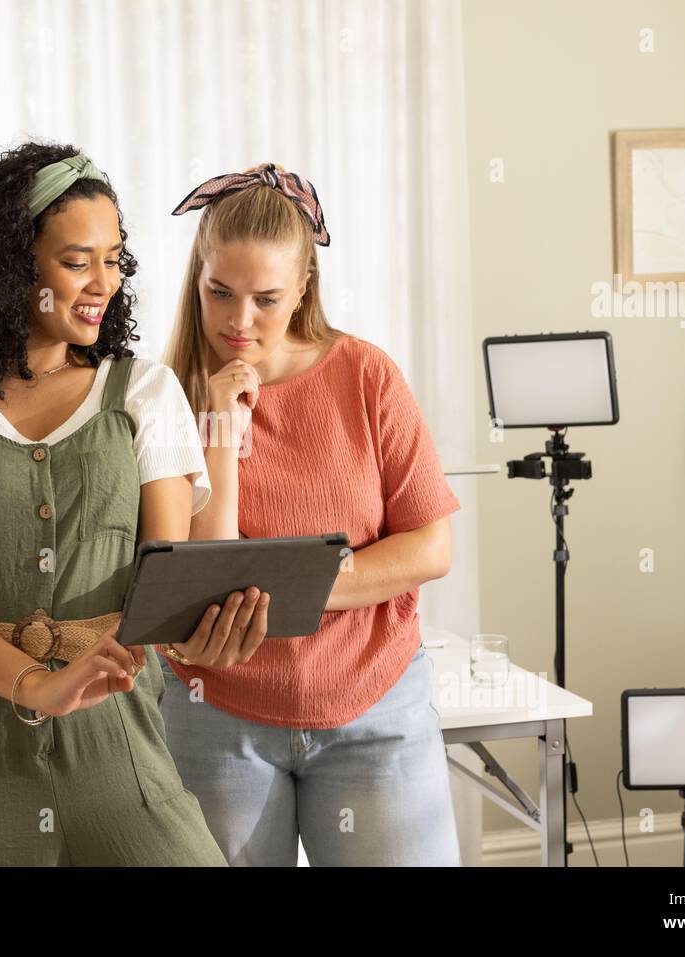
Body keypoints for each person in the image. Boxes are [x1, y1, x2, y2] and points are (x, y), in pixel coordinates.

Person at [0, 142, 237, 865]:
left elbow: (166, 571)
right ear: (11, 266)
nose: (103, 282)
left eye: (114, 258)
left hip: (111, 738)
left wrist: (197, 631)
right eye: (76, 260)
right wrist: (35, 683)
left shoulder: (145, 394)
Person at [158, 162, 463, 866]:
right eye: (219, 293)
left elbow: (429, 546)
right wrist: (220, 431)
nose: (239, 321)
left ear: (304, 288)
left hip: (374, 706)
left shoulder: (367, 375)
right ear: (196, 281)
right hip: (217, 715)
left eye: (266, 298)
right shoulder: (165, 394)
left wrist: (291, 585)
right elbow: (204, 573)